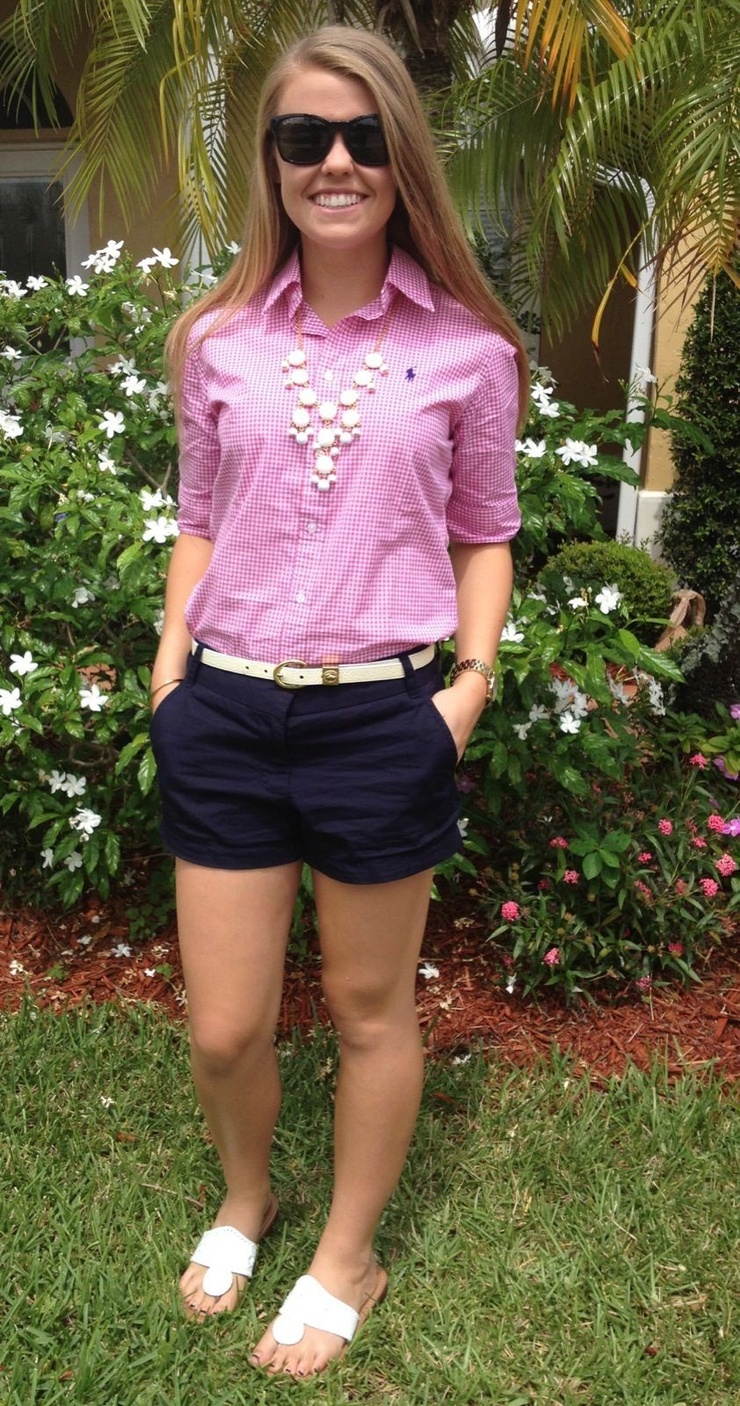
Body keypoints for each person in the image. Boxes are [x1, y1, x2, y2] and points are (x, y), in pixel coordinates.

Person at [150, 23, 529, 1379]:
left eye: (365, 137)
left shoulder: (470, 351)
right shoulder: (216, 341)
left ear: (402, 156)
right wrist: (169, 671)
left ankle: (346, 1253)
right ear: (269, 160)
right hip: (227, 709)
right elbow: (200, 517)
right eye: (304, 136)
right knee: (226, 1025)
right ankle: (248, 1197)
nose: (335, 162)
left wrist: (465, 691)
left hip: (383, 719)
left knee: (370, 1008)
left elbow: (486, 533)